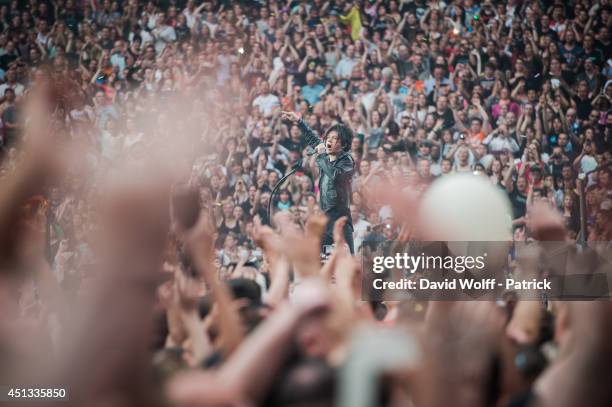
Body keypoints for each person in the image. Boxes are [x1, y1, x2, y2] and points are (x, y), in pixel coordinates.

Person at [281, 110, 355, 254]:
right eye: (329, 137)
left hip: (340, 219)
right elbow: (313, 139)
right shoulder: (325, 156)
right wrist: (299, 122)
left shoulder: (347, 161)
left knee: (347, 260)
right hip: (325, 218)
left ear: (344, 144)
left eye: (335, 139)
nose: (329, 141)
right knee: (320, 260)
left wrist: (321, 156)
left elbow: (334, 175)